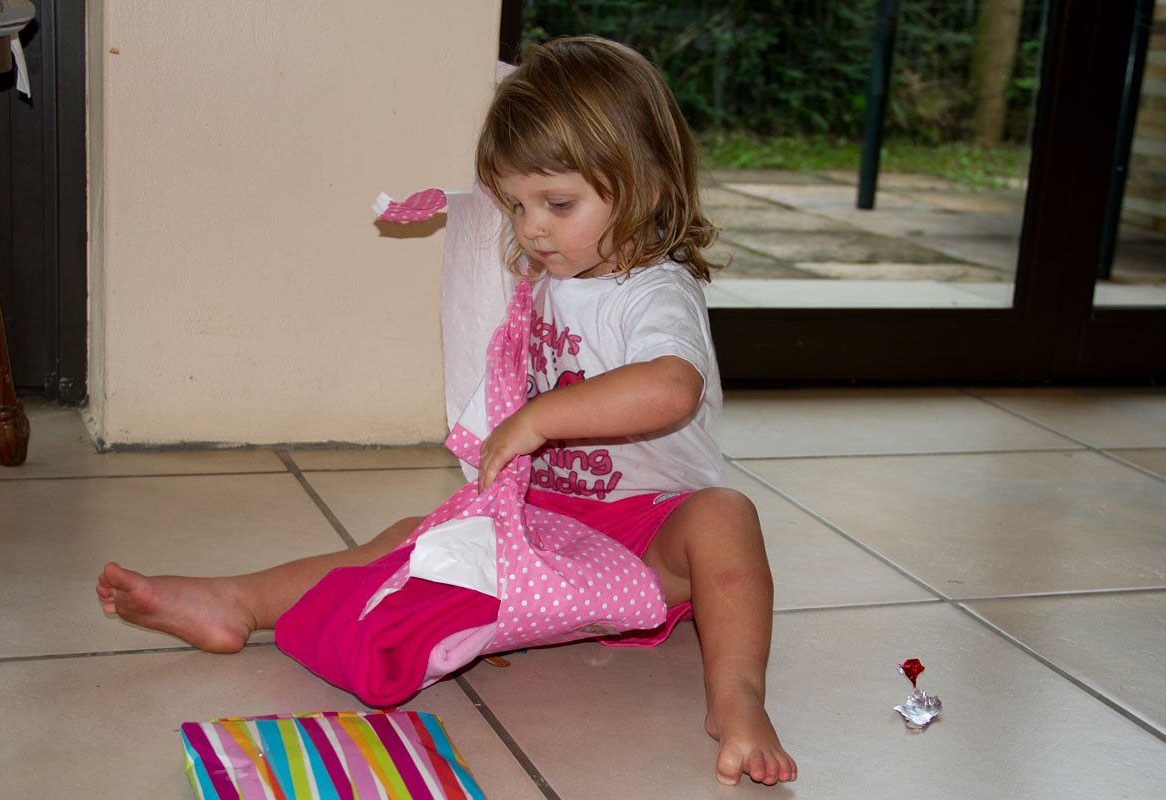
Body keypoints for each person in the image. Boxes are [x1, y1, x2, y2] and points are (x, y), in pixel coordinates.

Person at [97, 36, 797, 787]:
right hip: (551, 513)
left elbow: (670, 387)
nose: (531, 229)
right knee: (413, 540)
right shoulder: (558, 266)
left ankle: (737, 697)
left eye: (558, 204)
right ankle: (236, 601)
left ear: (649, 188)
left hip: (652, 529)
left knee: (727, 517)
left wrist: (539, 419)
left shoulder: (656, 290)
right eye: (518, 205)